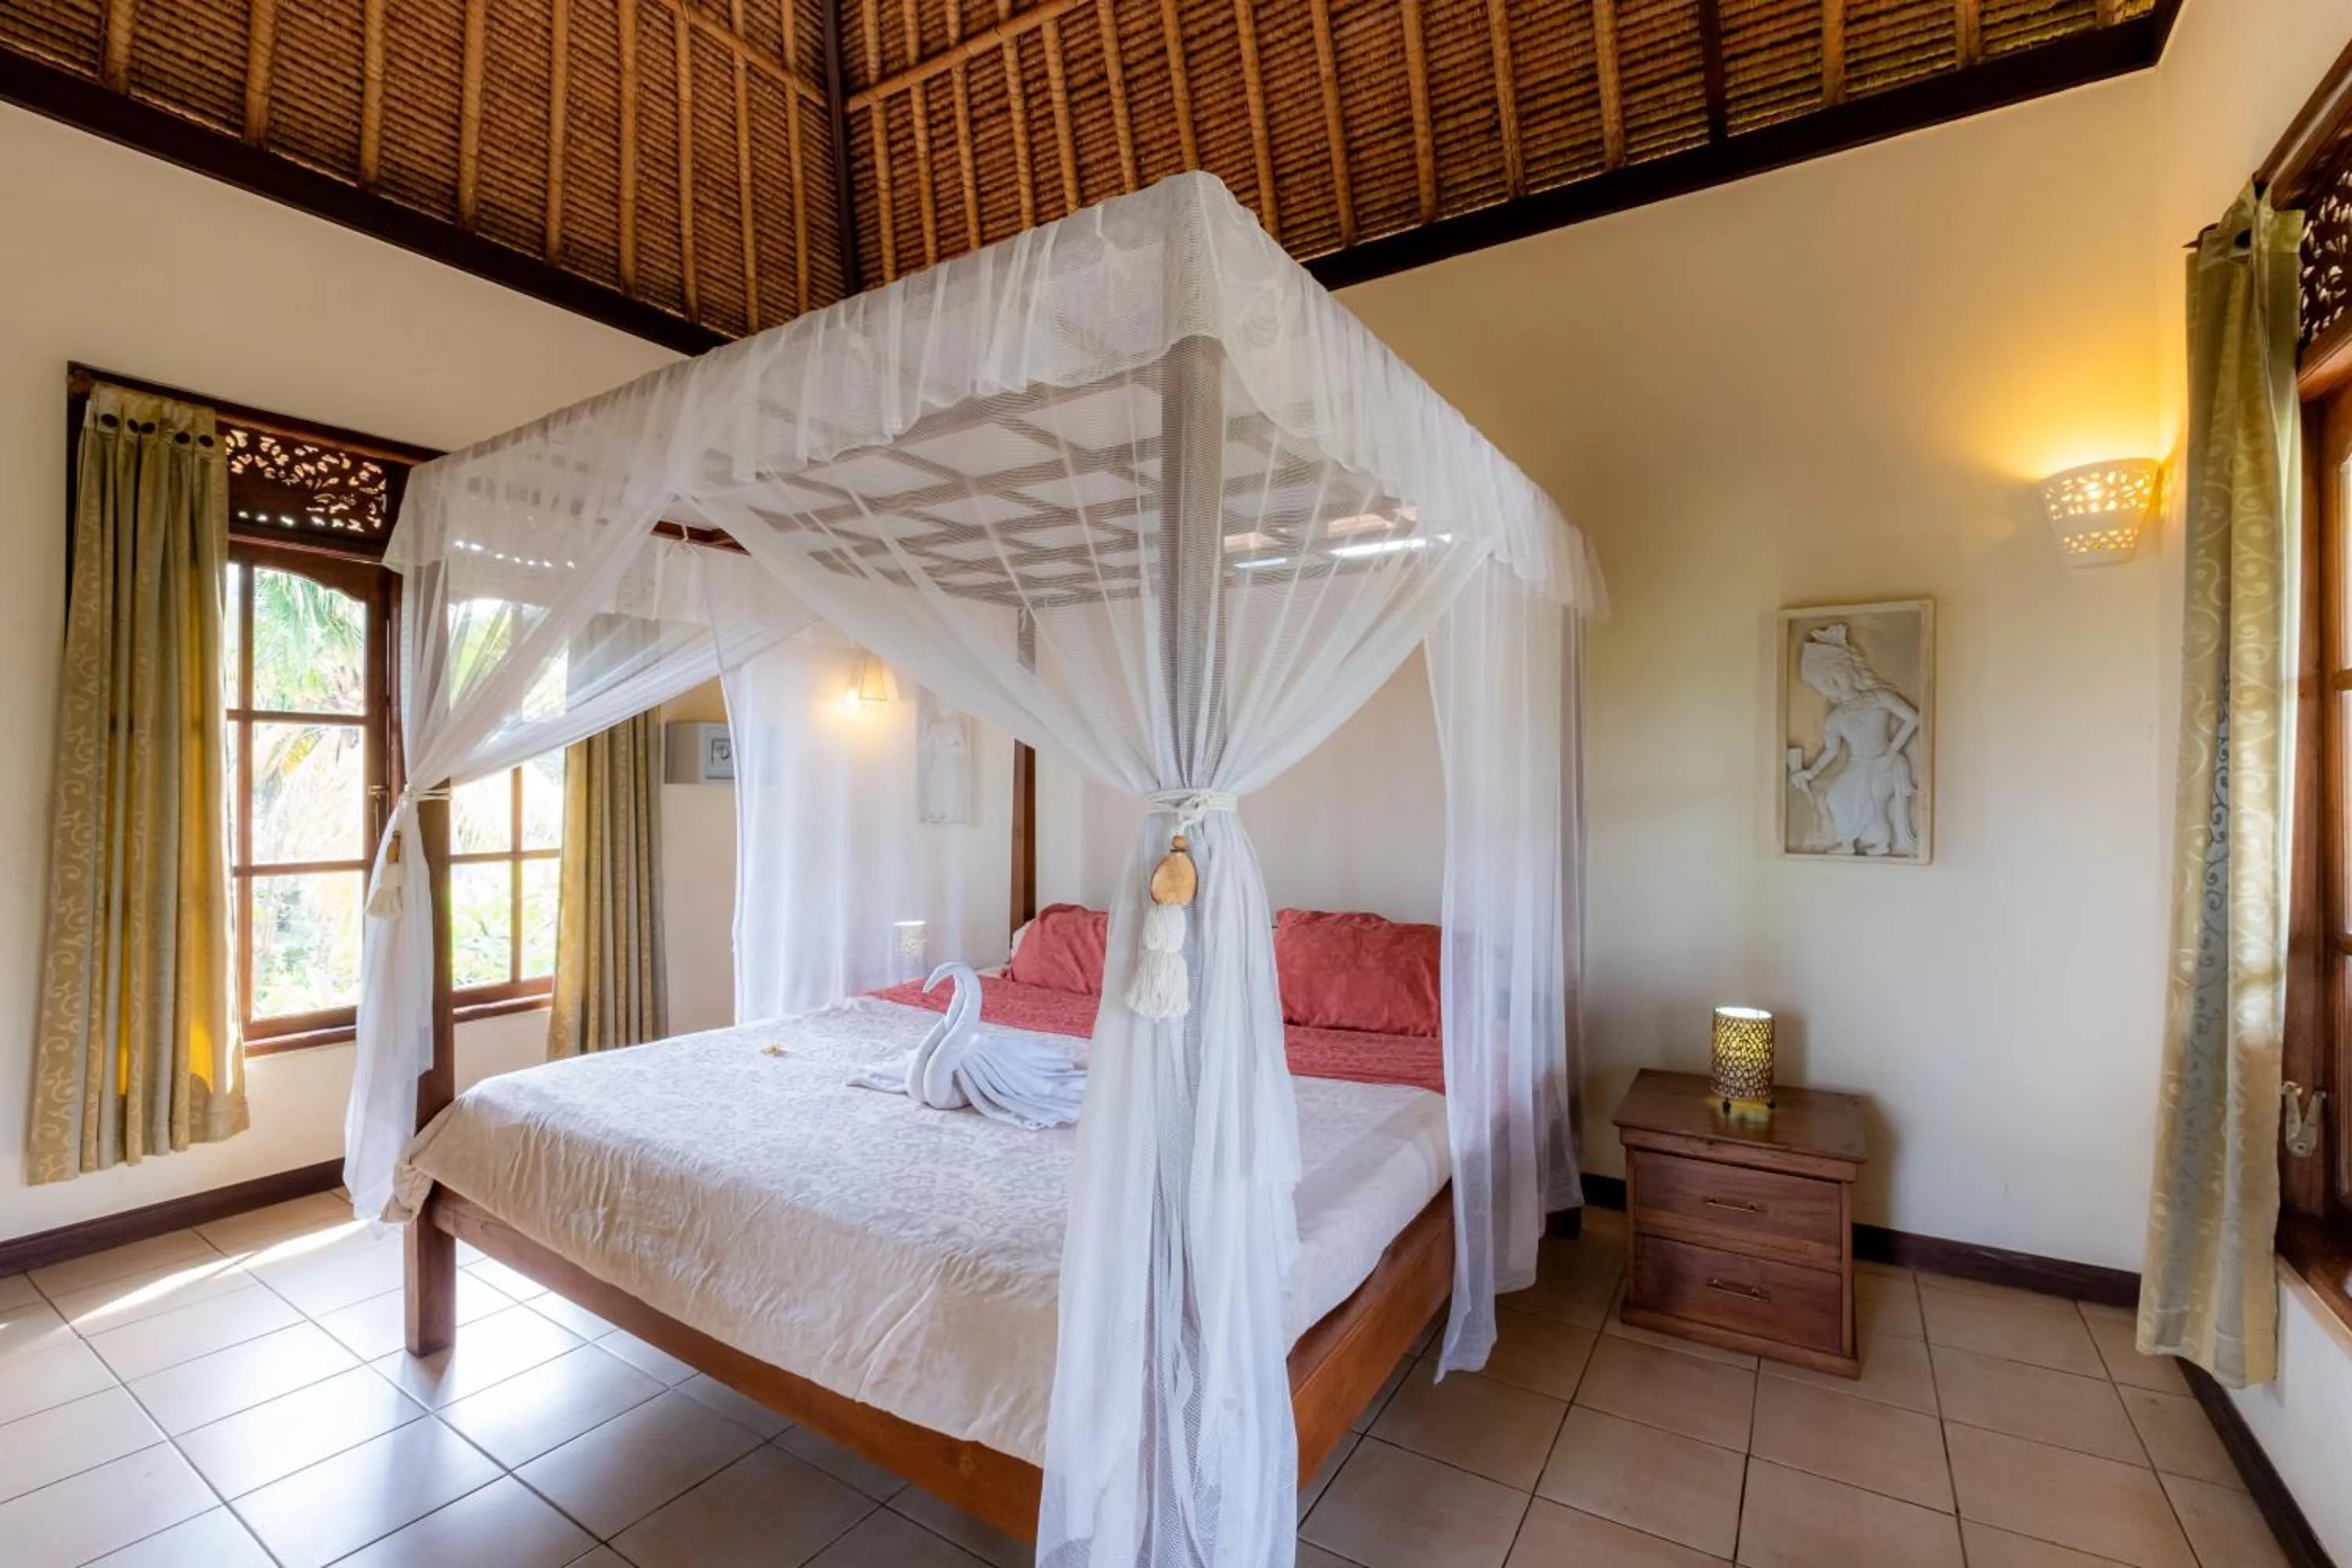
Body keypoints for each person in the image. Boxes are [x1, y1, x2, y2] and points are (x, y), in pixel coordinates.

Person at [1788, 622, 1921, 856]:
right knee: (1836, 797)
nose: (1834, 683)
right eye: (1828, 680)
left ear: (1851, 669)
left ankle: (1882, 844)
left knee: (1874, 804)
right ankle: (1847, 843)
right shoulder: (1835, 717)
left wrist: (1889, 755)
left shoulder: (1879, 697)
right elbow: (1830, 752)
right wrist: (1810, 773)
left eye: (1837, 674)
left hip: (1883, 763)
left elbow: (1913, 719)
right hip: (1856, 765)